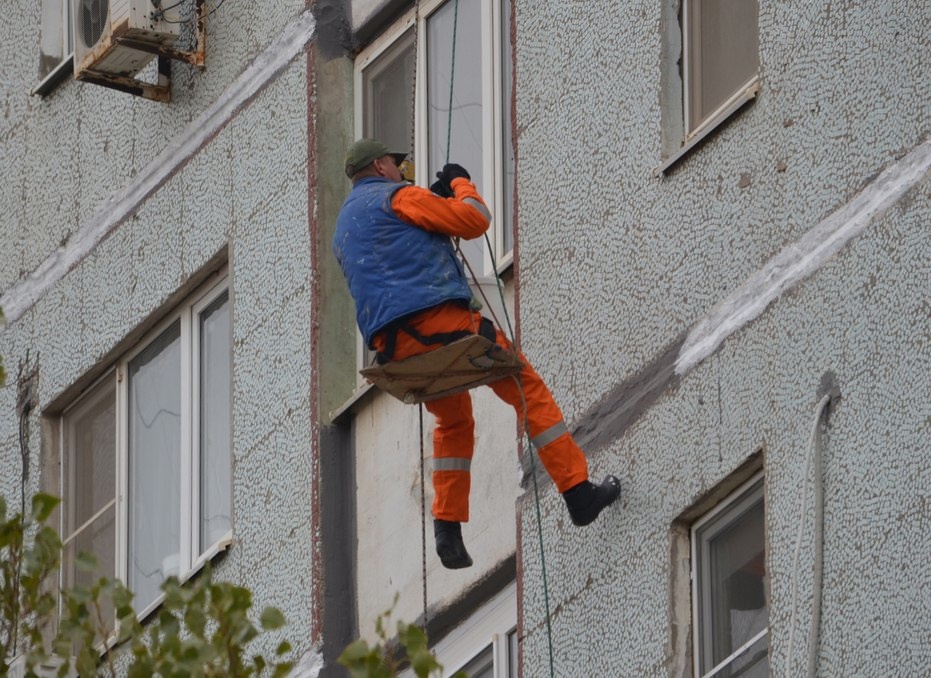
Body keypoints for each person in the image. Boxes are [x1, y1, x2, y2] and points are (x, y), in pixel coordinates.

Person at [333, 138, 620, 569]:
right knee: (527, 388)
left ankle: (447, 529)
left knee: (453, 420)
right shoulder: (398, 197)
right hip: (441, 327)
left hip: (396, 351)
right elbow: (474, 221)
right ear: (379, 165)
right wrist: (459, 182)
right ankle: (577, 492)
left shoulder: (344, 229)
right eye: (397, 162)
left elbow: (391, 260)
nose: (401, 168)